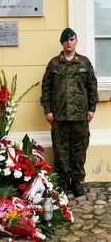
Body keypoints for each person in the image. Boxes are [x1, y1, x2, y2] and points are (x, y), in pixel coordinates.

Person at [40, 28, 98, 197]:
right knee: (60, 149)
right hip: (59, 115)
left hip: (80, 115)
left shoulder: (84, 63)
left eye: (71, 39)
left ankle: (77, 181)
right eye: (66, 40)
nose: (69, 42)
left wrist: (92, 108)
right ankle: (64, 181)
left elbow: (92, 87)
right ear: (62, 43)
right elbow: (46, 87)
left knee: (79, 149)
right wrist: (47, 110)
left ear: (76, 41)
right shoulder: (54, 64)